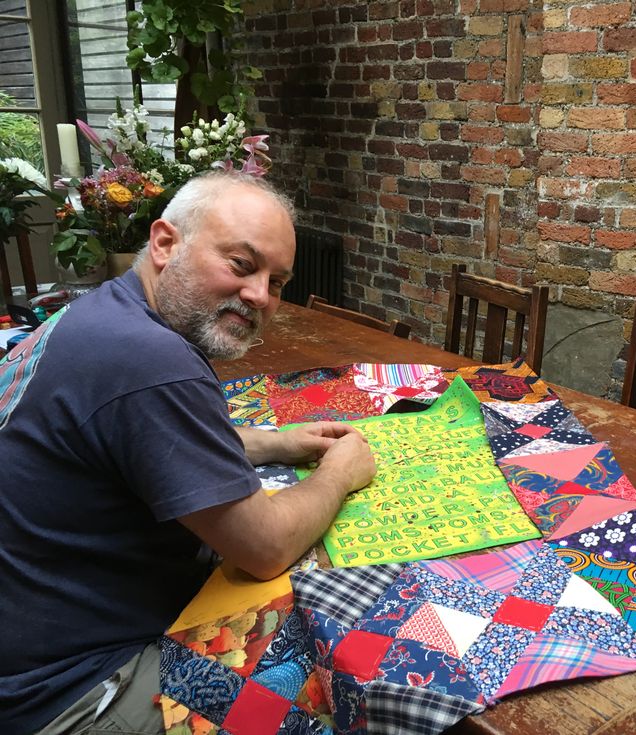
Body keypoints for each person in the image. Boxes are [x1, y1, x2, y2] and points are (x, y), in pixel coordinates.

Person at [0, 172, 376, 734]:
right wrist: (339, 475)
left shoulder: (99, 313)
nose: (260, 297)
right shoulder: (150, 361)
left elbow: (148, 441)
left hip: (27, 649)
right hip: (67, 692)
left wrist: (278, 441)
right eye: (242, 265)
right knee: (342, 665)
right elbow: (265, 546)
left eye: (277, 282)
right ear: (164, 243)